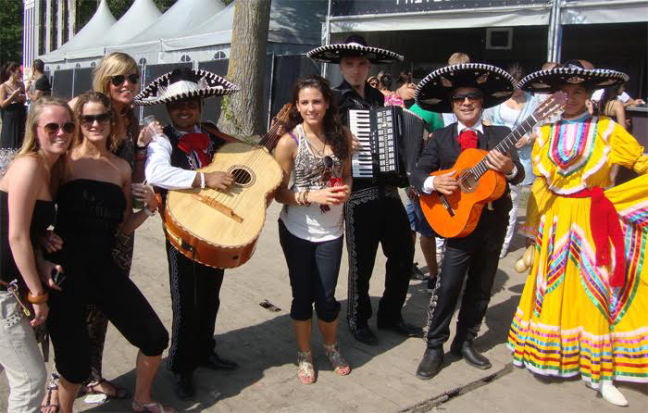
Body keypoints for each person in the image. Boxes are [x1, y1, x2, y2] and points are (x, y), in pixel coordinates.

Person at [508, 63, 648, 407]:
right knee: (550, 286)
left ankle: (600, 373)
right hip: (555, 222)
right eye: (564, 93)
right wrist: (531, 232)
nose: (570, 98)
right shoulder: (545, 132)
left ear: (589, 96)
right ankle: (553, 355)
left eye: (578, 92)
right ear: (553, 96)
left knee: (596, 290)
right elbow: (539, 186)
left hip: (593, 221)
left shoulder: (606, 130)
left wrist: (621, 201)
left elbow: (641, 163)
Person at [45, 91, 172, 413]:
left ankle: (141, 400)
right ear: (77, 122)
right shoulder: (64, 162)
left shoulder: (121, 168)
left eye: (102, 116)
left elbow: (124, 227)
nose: (95, 123)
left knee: (155, 337)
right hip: (65, 271)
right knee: (73, 366)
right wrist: (41, 236)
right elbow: (35, 205)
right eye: (87, 118)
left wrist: (150, 209)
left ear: (111, 120)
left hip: (103, 268)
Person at [307, 35, 423, 345]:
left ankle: (390, 314)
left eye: (360, 64)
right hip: (357, 192)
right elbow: (315, 139)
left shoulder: (380, 99)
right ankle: (358, 318)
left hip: (388, 188)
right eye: (349, 64)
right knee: (362, 262)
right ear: (340, 67)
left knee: (402, 254)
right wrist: (340, 139)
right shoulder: (331, 100)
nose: (355, 70)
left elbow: (393, 134)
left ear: (368, 65)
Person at [411, 63, 522, 380]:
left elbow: (519, 176)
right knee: (447, 286)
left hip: (493, 223)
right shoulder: (442, 138)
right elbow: (419, 172)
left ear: (482, 101)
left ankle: (466, 340)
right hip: (457, 222)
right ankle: (434, 346)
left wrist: (511, 168)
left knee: (482, 286)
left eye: (473, 96)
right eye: (459, 98)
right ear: (452, 104)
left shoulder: (501, 136)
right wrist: (436, 184)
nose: (466, 102)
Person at [135, 68, 240, 400]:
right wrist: (205, 180)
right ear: (168, 110)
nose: (184, 110)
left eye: (190, 103)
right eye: (178, 106)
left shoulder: (213, 135)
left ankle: (206, 349)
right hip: (181, 231)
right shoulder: (162, 139)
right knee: (186, 301)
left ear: (200, 105)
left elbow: (243, 159)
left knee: (211, 294)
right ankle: (182, 366)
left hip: (215, 227)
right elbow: (156, 173)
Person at [273, 75, 353, 384]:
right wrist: (312, 195)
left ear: (328, 103)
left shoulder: (341, 136)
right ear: (296, 106)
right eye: (304, 102)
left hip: (332, 230)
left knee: (328, 298)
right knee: (302, 296)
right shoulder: (288, 142)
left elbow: (346, 175)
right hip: (297, 230)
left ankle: (331, 347)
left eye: (316, 101)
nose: (311, 108)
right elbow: (278, 193)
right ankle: (305, 354)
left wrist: (345, 189)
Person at [0, 97, 70, 413]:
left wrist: (41, 236)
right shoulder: (29, 165)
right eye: (52, 126)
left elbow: (22, 227)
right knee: (29, 381)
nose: (61, 132)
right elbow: (15, 237)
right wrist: (37, 294)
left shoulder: (47, 167)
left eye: (68, 126)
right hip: (4, 290)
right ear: (35, 129)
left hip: (10, 284)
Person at [483, 63, 539, 258]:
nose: (516, 90)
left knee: (513, 200)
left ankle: (503, 245)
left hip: (519, 157)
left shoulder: (533, 102)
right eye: (513, 85)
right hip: (494, 155)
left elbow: (541, 129)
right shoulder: (498, 100)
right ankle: (487, 238)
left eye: (519, 86)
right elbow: (485, 120)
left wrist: (529, 138)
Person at [0, 62, 27, 149]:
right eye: (18, 71)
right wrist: (12, 96)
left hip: (20, 113)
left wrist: (21, 97)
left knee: (20, 138)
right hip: (9, 115)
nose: (21, 73)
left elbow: (25, 99)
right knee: (9, 138)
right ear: (12, 72)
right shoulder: (3, 86)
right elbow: (2, 104)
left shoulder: (21, 85)